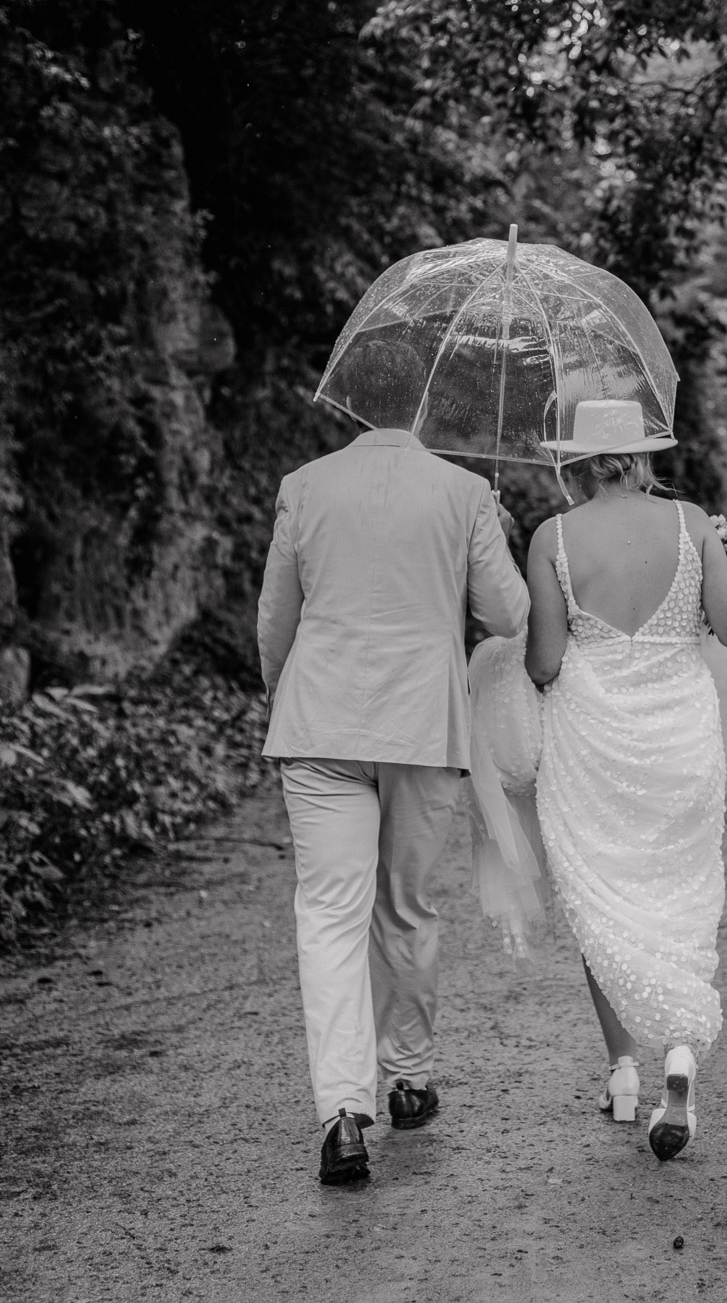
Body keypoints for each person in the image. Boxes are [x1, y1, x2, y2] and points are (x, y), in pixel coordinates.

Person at [257, 341, 528, 1185]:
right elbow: (508, 614)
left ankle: (343, 1113)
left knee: (329, 917)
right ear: (422, 405)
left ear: (349, 405)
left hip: (320, 723)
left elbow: (277, 622)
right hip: (421, 726)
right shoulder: (463, 491)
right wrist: (498, 531)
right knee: (405, 906)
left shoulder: (303, 487)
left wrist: (289, 699)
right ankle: (408, 1077)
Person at [524, 398, 727, 1161]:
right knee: (681, 894)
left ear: (577, 461)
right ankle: (678, 1056)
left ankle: (623, 1071)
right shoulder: (690, 524)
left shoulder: (550, 538)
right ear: (642, 455)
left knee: (603, 894)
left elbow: (546, 663)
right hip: (681, 737)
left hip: (594, 742)